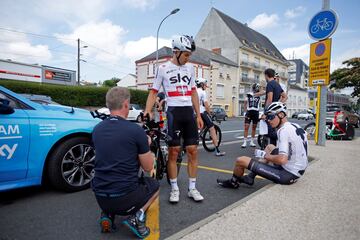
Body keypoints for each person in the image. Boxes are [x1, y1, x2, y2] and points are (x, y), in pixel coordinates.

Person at [92, 87, 159, 238]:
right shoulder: (135, 131)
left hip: (100, 196)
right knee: (154, 185)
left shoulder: (97, 129)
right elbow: (148, 167)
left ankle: (107, 214)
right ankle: (137, 217)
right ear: (126, 104)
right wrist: (145, 145)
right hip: (124, 199)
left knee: (111, 176)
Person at [143, 35, 204, 203]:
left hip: (188, 113)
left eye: (189, 55)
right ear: (176, 52)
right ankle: (175, 188)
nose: (188, 57)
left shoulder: (190, 68)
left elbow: (193, 92)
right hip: (173, 112)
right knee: (173, 152)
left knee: (192, 151)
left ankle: (192, 188)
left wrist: (198, 115)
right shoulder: (163, 68)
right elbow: (154, 91)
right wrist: (148, 110)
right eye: (186, 54)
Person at [217, 102, 308, 188]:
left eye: (271, 116)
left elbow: (282, 160)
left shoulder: (283, 131)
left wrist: (264, 155)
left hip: (288, 175)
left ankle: (234, 183)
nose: (268, 120)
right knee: (269, 147)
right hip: (298, 170)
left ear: (281, 115)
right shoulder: (294, 125)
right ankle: (250, 177)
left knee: (240, 160)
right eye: (267, 117)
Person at [196, 77, 225, 156]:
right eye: (205, 84)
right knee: (212, 128)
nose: (206, 86)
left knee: (197, 128)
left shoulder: (194, 91)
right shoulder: (202, 92)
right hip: (202, 112)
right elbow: (206, 105)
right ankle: (218, 151)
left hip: (194, 113)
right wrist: (210, 113)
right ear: (201, 84)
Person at [242, 83, 261, 148]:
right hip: (249, 112)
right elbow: (245, 103)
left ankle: (252, 142)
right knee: (246, 127)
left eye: (258, 87)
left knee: (254, 127)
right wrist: (244, 112)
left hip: (256, 112)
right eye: (256, 87)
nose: (257, 89)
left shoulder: (259, 94)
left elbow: (264, 92)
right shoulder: (248, 94)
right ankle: (244, 142)